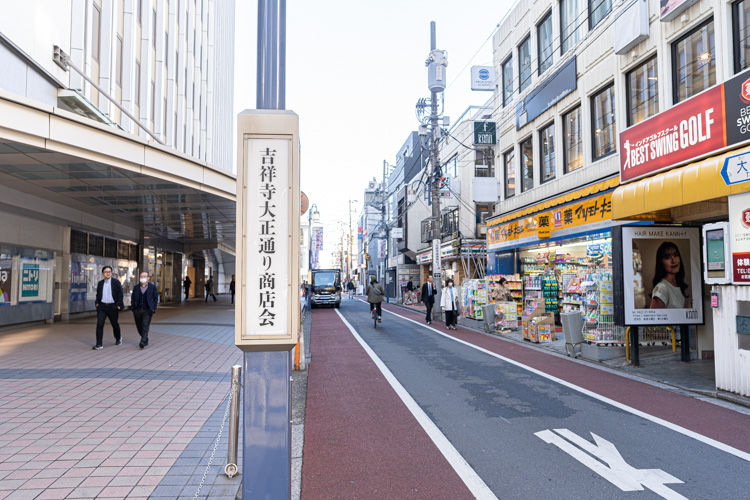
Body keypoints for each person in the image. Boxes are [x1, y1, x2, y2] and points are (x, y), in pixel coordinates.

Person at [650, 242, 689, 309]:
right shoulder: (662, 288)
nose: (674, 261)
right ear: (661, 262)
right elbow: (654, 318)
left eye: (676, 255)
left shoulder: (677, 283)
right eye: (667, 257)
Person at [93, 265, 124, 350]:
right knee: (99, 324)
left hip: (112, 306)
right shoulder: (100, 283)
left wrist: (118, 304)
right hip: (102, 306)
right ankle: (99, 344)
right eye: (106, 272)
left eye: (109, 272)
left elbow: (120, 294)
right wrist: (97, 303)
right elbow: (98, 295)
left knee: (114, 324)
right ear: (103, 273)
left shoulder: (116, 282)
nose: (108, 273)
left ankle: (118, 338)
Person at [131, 271, 159, 349]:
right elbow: (133, 298)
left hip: (147, 310)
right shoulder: (136, 287)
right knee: (139, 326)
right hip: (137, 310)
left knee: (145, 325)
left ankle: (142, 341)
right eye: (141, 277)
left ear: (148, 278)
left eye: (144, 276)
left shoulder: (152, 287)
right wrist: (133, 308)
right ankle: (145, 338)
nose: (142, 278)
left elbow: (155, 298)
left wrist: (154, 308)